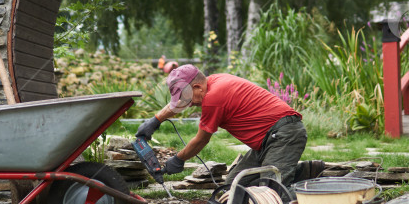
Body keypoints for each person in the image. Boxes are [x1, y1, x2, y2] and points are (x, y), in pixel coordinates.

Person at [136, 64, 319, 187]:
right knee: (236, 184)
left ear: (198, 87)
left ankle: (316, 189)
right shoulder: (213, 81)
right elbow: (181, 102)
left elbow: (201, 140)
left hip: (284, 134)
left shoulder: (213, 98)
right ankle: (300, 172)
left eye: (187, 98)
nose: (188, 104)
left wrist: (178, 159)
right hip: (268, 139)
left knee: (270, 192)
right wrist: (155, 120)